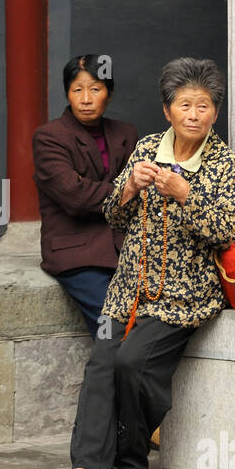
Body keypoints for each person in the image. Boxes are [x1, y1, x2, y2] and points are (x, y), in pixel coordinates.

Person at [49, 58, 235, 469]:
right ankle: (86, 466)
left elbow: (228, 230)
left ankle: (130, 458)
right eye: (184, 105)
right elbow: (113, 215)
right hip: (127, 291)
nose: (194, 114)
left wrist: (187, 195)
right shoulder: (147, 149)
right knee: (102, 361)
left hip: (184, 296)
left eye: (203, 106)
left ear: (215, 112)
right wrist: (129, 188)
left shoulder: (225, 163)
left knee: (132, 361)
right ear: (167, 111)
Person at [33, 55, 137, 338]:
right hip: (77, 253)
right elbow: (74, 196)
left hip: (126, 249)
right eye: (77, 90)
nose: (86, 99)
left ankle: (107, 382)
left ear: (109, 93)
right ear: (67, 93)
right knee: (116, 329)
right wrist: (125, 190)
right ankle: (105, 382)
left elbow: (141, 195)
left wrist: (130, 191)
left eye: (95, 89)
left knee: (153, 323)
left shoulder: (126, 134)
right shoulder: (49, 137)